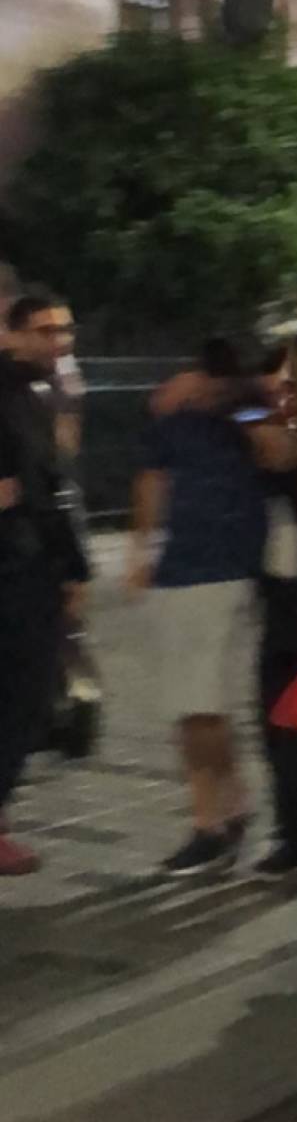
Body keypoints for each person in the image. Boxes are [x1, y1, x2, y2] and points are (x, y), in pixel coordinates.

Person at [130, 337, 268, 875]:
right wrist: (143, 549)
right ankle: (225, 809)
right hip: (179, 567)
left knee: (201, 704)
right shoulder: (175, 417)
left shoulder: (247, 413)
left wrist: (239, 402)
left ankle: (215, 819)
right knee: (189, 707)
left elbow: (278, 448)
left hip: (226, 568)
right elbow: (151, 478)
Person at [0, 293, 90, 874]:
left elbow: (51, 488)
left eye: (64, 330)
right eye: (43, 330)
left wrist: (74, 568)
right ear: (11, 332)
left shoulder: (37, 392)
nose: (57, 342)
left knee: (26, 697)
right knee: (18, 697)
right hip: (14, 567)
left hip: (34, 565)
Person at [246, 349, 297, 880]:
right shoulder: (261, 441)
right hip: (282, 605)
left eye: (290, 391)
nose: (280, 402)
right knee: (275, 722)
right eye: (274, 392)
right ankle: (290, 833)